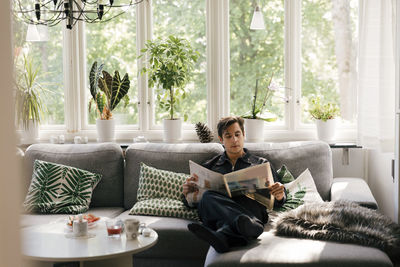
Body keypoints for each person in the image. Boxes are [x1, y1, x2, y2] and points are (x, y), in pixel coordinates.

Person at [182, 116, 286, 253]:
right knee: (207, 197)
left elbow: (279, 200)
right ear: (221, 139)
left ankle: (222, 236)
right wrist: (187, 194)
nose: (234, 140)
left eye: (237, 134)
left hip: (249, 210)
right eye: (228, 136)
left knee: (246, 200)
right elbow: (192, 202)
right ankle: (251, 227)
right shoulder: (210, 166)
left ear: (243, 135)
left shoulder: (261, 164)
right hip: (226, 213)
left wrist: (279, 195)